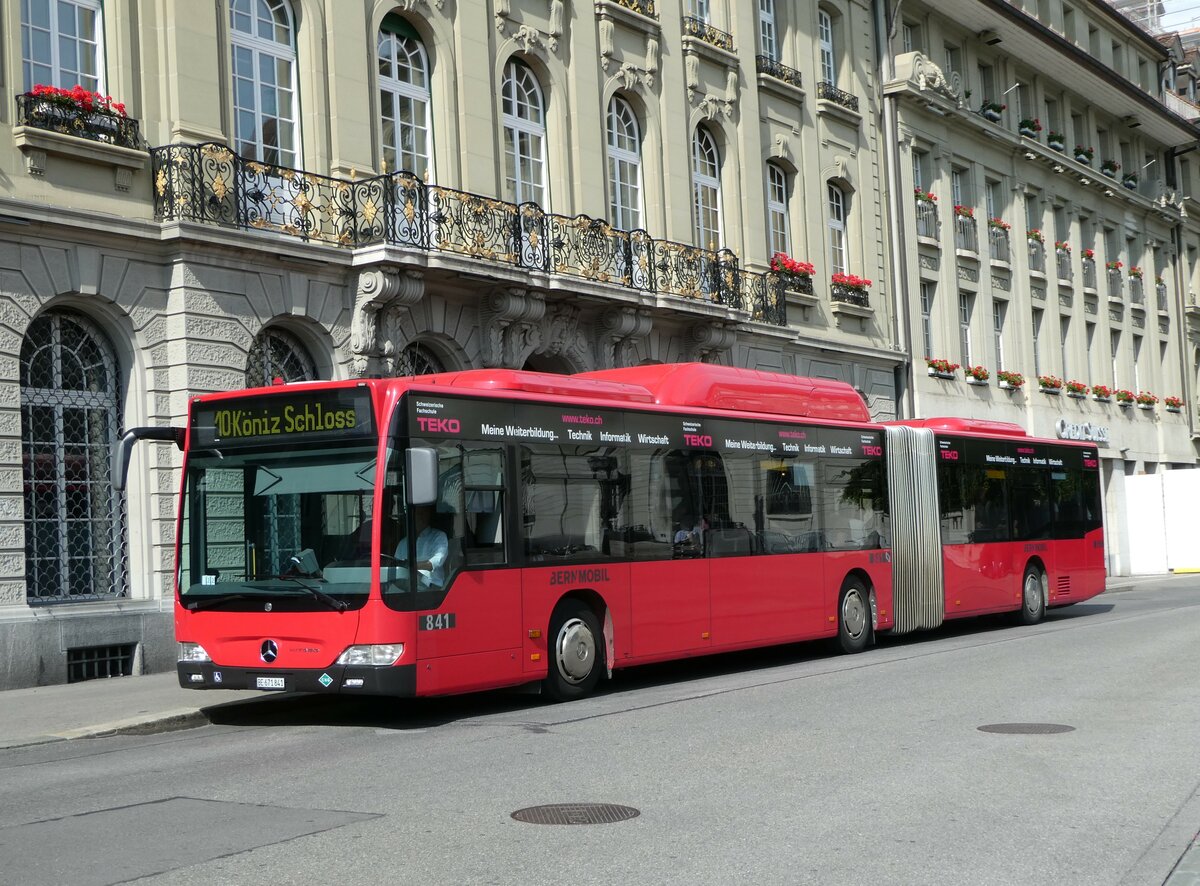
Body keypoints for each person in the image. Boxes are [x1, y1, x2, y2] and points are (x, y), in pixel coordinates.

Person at [396, 504, 449, 589]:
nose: (421, 516)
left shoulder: (439, 536)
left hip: (433, 589)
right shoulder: (403, 543)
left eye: (424, 513)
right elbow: (396, 568)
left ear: (429, 515)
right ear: (412, 516)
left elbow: (436, 561)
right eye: (418, 513)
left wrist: (412, 566)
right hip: (406, 588)